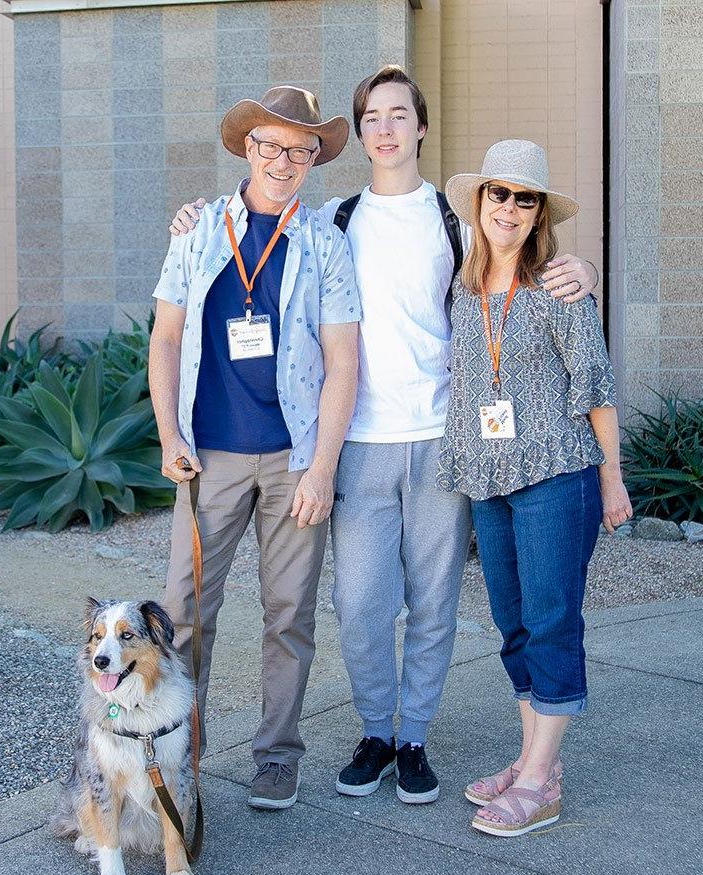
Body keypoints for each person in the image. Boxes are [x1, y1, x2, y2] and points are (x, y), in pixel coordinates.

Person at [168, 67, 600, 805]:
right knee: (362, 603)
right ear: (360, 132)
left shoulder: (454, 219)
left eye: (400, 114)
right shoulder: (333, 219)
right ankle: (374, 729)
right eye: (373, 116)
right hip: (358, 440)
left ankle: (415, 739)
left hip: (443, 438)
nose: (387, 128)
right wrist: (192, 219)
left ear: (421, 127)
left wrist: (581, 267)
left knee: (433, 601)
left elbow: (521, 254)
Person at [149, 86, 361, 812]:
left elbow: (343, 361)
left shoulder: (325, 241)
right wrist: (170, 434)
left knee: (288, 616)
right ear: (248, 148)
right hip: (208, 457)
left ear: (312, 161)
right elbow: (167, 337)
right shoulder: (200, 230)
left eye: (300, 150)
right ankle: (179, 752)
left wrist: (323, 466)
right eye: (271, 145)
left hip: (295, 458)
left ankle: (276, 755)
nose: (284, 160)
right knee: (182, 613)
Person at [437, 139, 632, 836]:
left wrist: (613, 478)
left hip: (558, 474)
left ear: (539, 211)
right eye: (500, 194)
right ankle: (531, 764)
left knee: (551, 620)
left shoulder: (560, 286)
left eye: (526, 198)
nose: (511, 208)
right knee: (512, 622)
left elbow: (596, 387)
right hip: (489, 476)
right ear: (480, 202)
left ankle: (542, 784)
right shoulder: (461, 289)